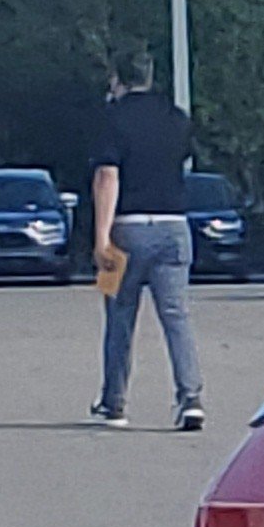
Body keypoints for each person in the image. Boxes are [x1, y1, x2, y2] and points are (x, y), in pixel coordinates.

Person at [87, 52, 203, 431]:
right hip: (174, 228)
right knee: (176, 316)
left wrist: (101, 238)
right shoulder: (177, 118)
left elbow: (108, 177)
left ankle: (114, 402)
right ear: (151, 77)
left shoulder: (112, 119)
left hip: (126, 229)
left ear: (118, 79)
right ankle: (190, 399)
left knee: (119, 317)